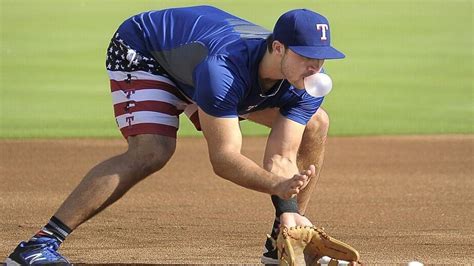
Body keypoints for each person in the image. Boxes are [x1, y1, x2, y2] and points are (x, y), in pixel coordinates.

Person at [7, 5, 346, 265]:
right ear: (278, 48)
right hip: (146, 50)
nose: (315, 68)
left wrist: (287, 209)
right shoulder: (223, 71)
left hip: (197, 61)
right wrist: (275, 185)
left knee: (316, 122)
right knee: (152, 150)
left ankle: (283, 241)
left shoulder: (307, 82)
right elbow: (224, 159)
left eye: (321, 59)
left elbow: (283, 157)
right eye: (306, 56)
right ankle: (38, 244)